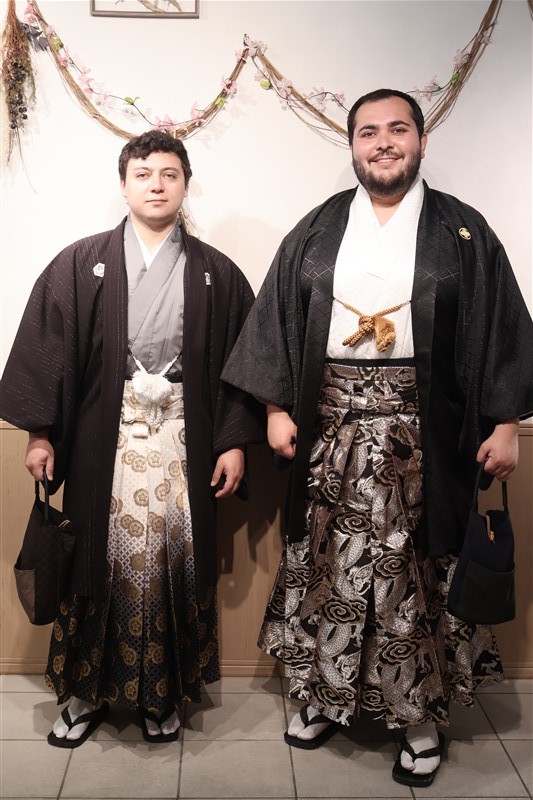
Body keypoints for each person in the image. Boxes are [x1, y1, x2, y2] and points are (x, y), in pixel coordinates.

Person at [222, 89, 533, 786]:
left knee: (412, 575)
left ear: (421, 141)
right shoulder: (316, 229)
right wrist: (273, 409)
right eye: (368, 132)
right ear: (352, 146)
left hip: (425, 438)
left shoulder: (463, 231)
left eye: (397, 129)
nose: (383, 142)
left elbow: (502, 327)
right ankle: (325, 699)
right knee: (327, 567)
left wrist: (506, 422)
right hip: (327, 430)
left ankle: (418, 716)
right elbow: (275, 319)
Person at [0, 130, 263, 747]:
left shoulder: (216, 273)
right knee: (96, 564)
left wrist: (231, 443)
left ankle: (159, 693)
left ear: (186, 185)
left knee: (171, 565)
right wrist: (41, 435)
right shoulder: (79, 264)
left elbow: (242, 363)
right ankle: (86, 693)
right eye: (143, 174)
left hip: (181, 441)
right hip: (103, 442)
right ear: (123, 184)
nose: (156, 185)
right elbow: (47, 354)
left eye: (170, 174)